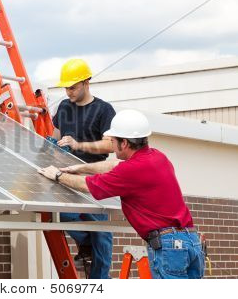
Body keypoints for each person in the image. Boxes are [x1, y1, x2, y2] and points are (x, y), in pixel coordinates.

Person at [39, 109, 205, 279]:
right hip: (191, 241)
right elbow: (114, 165)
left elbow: (88, 186)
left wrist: (58, 175)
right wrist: (79, 167)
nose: (111, 145)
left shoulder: (131, 170)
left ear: (124, 143)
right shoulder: (157, 157)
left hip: (169, 247)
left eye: (113, 141)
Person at [51, 58, 115, 279]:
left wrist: (78, 144)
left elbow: (110, 145)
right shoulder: (64, 107)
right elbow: (55, 137)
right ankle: (87, 245)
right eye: (66, 87)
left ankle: (100, 282)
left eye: (73, 87)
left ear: (86, 82)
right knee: (64, 216)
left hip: (93, 173)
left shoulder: (104, 110)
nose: (68, 92)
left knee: (102, 233)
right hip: (67, 173)